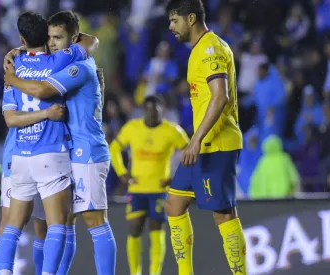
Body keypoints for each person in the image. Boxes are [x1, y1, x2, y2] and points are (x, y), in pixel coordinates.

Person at [3, 11, 117, 275]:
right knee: (64, 221)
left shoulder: (78, 66)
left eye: (58, 37)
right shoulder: (62, 61)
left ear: (73, 39)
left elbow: (43, 90)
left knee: (95, 220)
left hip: (86, 151)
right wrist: (20, 50)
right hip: (69, 150)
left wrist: (13, 78)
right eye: (49, 38)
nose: (52, 43)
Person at [165, 1, 247, 274]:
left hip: (216, 144)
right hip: (203, 144)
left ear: (190, 18)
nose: (171, 27)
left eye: (174, 20)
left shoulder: (210, 48)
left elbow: (220, 96)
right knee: (174, 204)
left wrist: (196, 139)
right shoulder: (200, 49)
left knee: (223, 214)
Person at [109, 95, 189, 275]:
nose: (152, 114)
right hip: (137, 189)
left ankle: (155, 272)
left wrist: (177, 177)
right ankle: (134, 272)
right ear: (144, 111)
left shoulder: (172, 131)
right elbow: (114, 148)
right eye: (149, 110)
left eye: (156, 110)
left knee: (156, 228)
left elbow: (190, 152)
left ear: (163, 111)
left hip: (160, 190)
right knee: (134, 228)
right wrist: (122, 173)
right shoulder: (132, 128)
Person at [0, 90, 65, 275]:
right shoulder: (15, 73)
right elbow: (11, 118)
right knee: (9, 221)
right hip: (18, 153)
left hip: (47, 152)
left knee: (43, 227)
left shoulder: (50, 70)